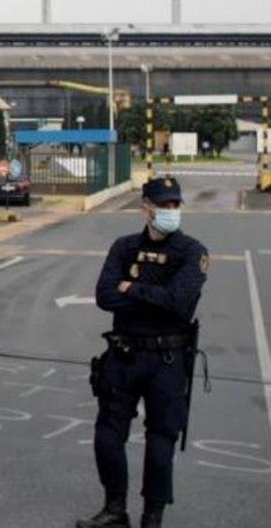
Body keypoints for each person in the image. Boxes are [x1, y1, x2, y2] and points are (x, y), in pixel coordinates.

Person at [77, 176, 207, 528]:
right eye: (163, 205)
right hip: (124, 354)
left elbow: (180, 305)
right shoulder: (124, 247)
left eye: (175, 205)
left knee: (161, 440)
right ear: (145, 207)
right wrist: (153, 296)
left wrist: (132, 288)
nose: (170, 211)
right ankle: (115, 508)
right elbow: (105, 296)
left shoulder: (193, 252)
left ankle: (153, 516)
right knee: (107, 434)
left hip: (167, 360)